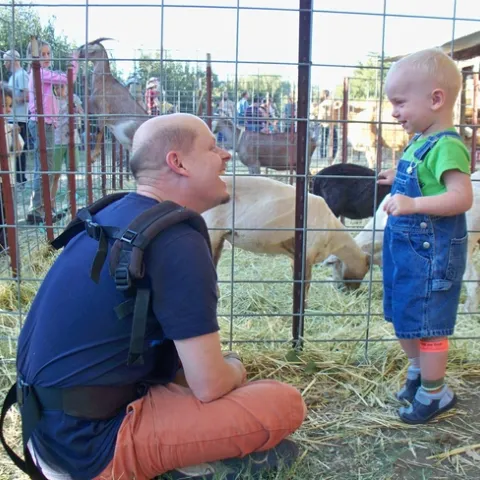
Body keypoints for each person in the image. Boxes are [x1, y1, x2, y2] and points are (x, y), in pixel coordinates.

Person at [15, 113, 307, 480]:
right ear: (178, 162)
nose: (226, 155)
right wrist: (236, 368)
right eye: (212, 146)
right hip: (92, 449)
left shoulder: (113, 213)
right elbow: (210, 384)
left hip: (46, 433)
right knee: (282, 403)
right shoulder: (177, 238)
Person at [377, 48, 473, 424]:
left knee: (429, 324)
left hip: (432, 257)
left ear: (436, 99)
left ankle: (436, 395)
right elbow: (421, 177)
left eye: (400, 103)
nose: (394, 112)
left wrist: (413, 204)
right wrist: (394, 175)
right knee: (404, 317)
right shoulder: (420, 141)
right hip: (407, 253)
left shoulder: (448, 145)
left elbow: (460, 197)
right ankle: (419, 372)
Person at [26, 40, 78, 225]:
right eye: (43, 54)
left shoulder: (39, 73)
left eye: (49, 53)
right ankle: (40, 209)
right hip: (42, 123)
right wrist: (75, 61)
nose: (47, 57)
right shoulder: (40, 73)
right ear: (34, 57)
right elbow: (68, 78)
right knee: (44, 168)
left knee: (43, 167)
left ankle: (41, 208)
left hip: (45, 123)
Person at [51, 83, 83, 208]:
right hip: (57, 140)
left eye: (61, 86)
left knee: (71, 172)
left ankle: (71, 201)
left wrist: (77, 109)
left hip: (72, 141)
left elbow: (81, 112)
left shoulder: (74, 98)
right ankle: (52, 202)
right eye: (56, 87)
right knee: (55, 174)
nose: (58, 89)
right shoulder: (52, 100)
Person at [0, 83, 24, 251]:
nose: (8, 110)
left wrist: (15, 134)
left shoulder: (9, 128)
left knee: (8, 215)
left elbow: (17, 150)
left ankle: (6, 246)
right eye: (4, 105)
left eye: (9, 106)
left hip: (9, 182)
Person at [3, 49, 29, 185]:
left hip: (20, 118)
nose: (4, 64)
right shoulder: (13, 76)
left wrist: (11, 101)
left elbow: (27, 96)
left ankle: (20, 179)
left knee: (19, 149)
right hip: (11, 118)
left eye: (6, 60)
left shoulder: (22, 75)